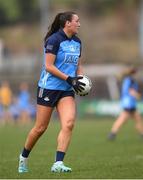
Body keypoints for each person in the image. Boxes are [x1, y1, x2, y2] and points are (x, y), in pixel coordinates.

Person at [18, 11, 86, 173]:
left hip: (66, 90)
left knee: (69, 124)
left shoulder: (77, 42)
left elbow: (78, 66)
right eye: (77, 21)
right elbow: (49, 66)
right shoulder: (54, 40)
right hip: (48, 88)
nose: (79, 24)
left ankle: (58, 164)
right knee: (40, 128)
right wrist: (70, 79)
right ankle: (23, 158)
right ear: (67, 23)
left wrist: (82, 80)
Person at [108, 66, 143, 140]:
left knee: (137, 119)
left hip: (129, 103)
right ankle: (112, 133)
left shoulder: (127, 80)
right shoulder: (131, 80)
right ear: (134, 73)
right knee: (122, 119)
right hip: (129, 103)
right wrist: (138, 96)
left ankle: (141, 134)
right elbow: (131, 91)